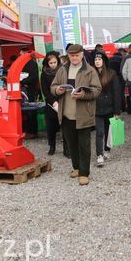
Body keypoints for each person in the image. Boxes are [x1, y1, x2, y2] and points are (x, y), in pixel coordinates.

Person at [51, 43, 102, 185]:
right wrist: (57, 90)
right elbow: (53, 86)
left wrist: (83, 95)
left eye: (77, 55)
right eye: (71, 55)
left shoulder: (90, 70)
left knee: (84, 145)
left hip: (84, 114)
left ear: (82, 55)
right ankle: (77, 167)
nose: (74, 58)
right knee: (71, 144)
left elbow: (97, 90)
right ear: (68, 56)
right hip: (66, 114)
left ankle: (84, 173)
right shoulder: (62, 70)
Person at [93, 52, 122, 167]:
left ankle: (107, 150)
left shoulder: (111, 73)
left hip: (109, 107)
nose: (97, 61)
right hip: (96, 108)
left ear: (104, 61)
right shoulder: (92, 74)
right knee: (99, 132)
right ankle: (99, 155)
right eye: (95, 59)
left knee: (108, 131)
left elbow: (116, 92)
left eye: (99, 59)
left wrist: (117, 111)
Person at [40, 51, 62, 155]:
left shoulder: (62, 71)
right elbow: (45, 90)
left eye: (55, 62)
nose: (53, 65)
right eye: (51, 63)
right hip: (50, 103)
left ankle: (66, 148)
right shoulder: (44, 73)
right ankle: (52, 146)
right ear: (47, 63)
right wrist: (53, 102)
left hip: (62, 100)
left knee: (64, 125)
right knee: (51, 127)